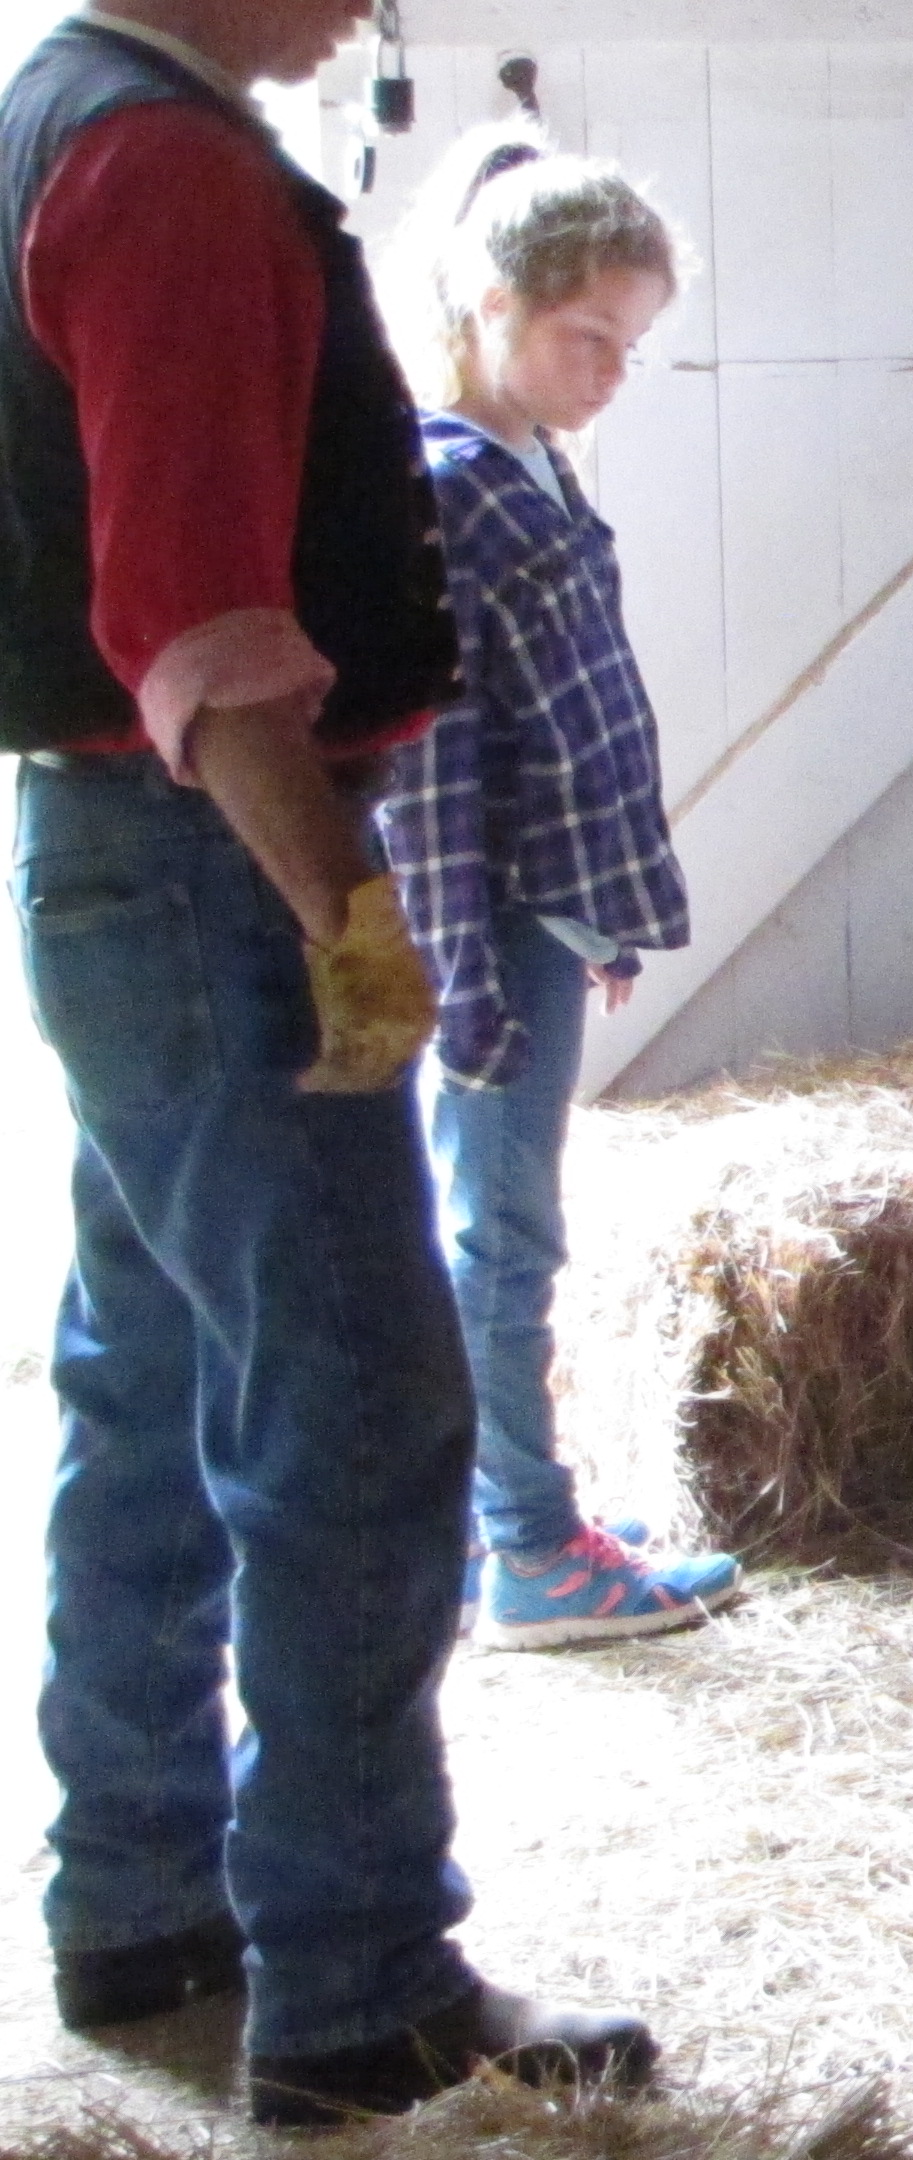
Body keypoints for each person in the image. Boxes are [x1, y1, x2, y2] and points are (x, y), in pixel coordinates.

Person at [0, 0, 652, 2124]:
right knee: (366, 1412)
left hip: (116, 860)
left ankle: (143, 1897)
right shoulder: (173, 170)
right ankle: (357, 1979)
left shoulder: (60, 115)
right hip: (208, 866)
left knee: (160, 1374)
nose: (371, 9)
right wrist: (349, 921)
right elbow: (195, 633)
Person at [370, 126, 741, 1651]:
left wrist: (597, 916)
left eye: (633, 341)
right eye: (590, 333)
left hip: (541, 913)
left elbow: (572, 711)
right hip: (489, 924)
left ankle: (508, 1511)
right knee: (502, 1234)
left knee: (505, 1221)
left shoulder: (529, 460)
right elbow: (438, 770)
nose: (613, 367)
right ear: (488, 303)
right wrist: (464, 982)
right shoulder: (448, 484)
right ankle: (525, 1545)